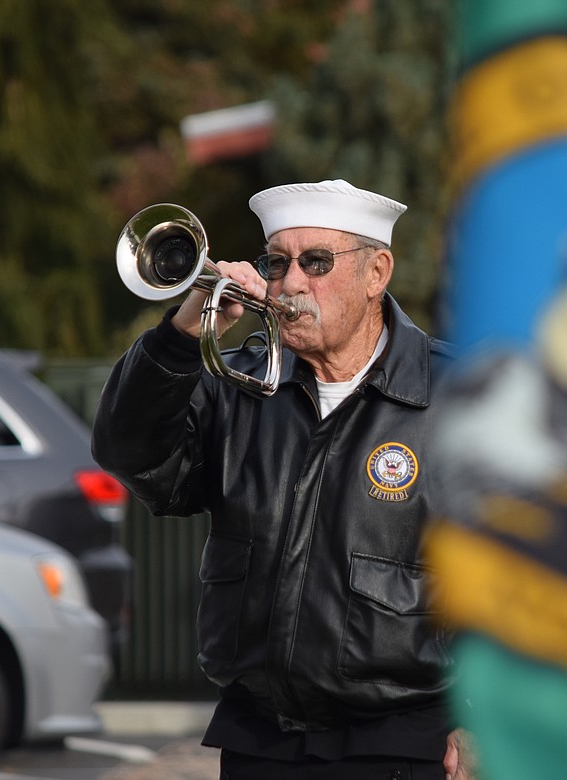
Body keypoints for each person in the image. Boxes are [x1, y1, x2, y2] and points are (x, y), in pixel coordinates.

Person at [92, 179, 471, 779]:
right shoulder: (235, 384)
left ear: (377, 273)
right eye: (278, 262)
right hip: (260, 741)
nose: (291, 283)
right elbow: (130, 455)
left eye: (316, 262)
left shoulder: (458, 394)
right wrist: (183, 334)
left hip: (402, 745)